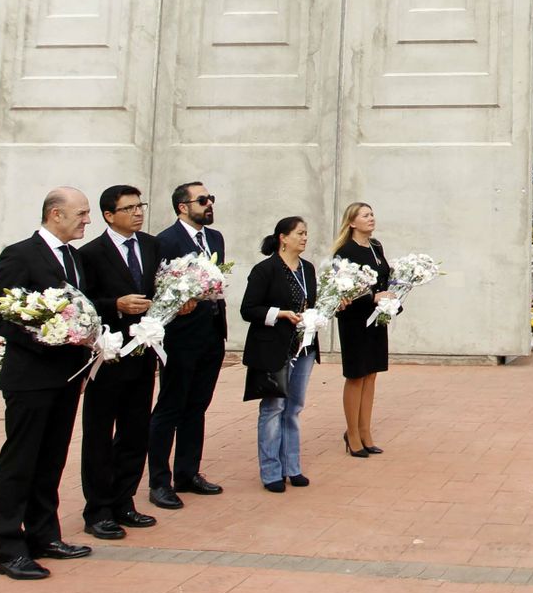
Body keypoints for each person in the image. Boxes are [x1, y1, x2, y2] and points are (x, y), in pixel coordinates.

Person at [0, 187, 96, 580]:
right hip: (31, 378)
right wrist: (47, 334)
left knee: (51, 459)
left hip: (67, 377)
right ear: (55, 214)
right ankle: (8, 549)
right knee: (20, 462)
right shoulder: (19, 254)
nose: (87, 220)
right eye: (81, 213)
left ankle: (44, 534)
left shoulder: (76, 258)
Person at [77, 185, 161, 540]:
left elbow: (160, 290)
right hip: (107, 356)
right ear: (109, 215)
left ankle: (124, 500)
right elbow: (81, 302)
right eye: (129, 208)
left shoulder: (152, 246)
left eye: (140, 206)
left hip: (143, 354)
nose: (138, 213)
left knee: (135, 429)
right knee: (99, 433)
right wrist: (116, 305)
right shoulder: (90, 253)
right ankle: (98, 510)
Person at [147, 181, 227, 509]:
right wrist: (177, 301)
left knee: (197, 405)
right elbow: (157, 286)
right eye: (202, 200)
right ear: (183, 207)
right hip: (180, 337)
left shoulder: (215, 238)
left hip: (211, 332)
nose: (209, 205)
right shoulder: (165, 241)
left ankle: (188, 472)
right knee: (171, 406)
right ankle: (159, 481)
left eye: (211, 199)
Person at [239, 216, 318, 493]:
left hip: (303, 347)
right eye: (300, 233)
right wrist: (279, 314)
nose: (305, 238)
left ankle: (292, 467)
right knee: (273, 408)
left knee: (294, 407)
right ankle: (271, 471)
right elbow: (248, 309)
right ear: (283, 238)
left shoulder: (308, 269)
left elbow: (312, 302)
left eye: (306, 233)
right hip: (273, 347)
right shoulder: (265, 269)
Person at [333, 202, 394, 457]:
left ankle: (366, 431)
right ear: (352, 222)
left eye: (372, 214)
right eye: (365, 215)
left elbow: (385, 277)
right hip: (354, 320)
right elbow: (342, 289)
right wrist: (373, 297)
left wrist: (392, 294)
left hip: (376, 318)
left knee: (372, 374)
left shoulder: (376, 246)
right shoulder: (345, 252)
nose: (371, 218)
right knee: (356, 375)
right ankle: (353, 433)